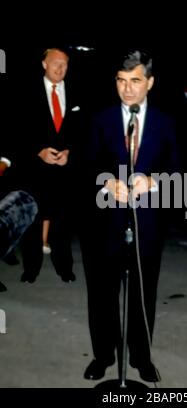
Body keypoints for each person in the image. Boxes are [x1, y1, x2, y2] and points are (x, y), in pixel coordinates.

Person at [81, 49, 178, 383]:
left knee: (142, 292)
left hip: (148, 222)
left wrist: (155, 181)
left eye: (135, 81)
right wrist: (105, 180)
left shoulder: (167, 123)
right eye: (121, 81)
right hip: (105, 223)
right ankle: (103, 355)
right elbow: (87, 167)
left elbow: (182, 170)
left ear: (149, 82)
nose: (127, 89)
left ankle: (141, 357)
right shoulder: (100, 119)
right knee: (103, 292)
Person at [18, 47, 82, 283]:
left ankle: (65, 267)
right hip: (36, 168)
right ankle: (31, 269)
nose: (60, 68)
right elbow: (18, 130)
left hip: (65, 169)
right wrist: (38, 151)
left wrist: (71, 152)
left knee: (63, 220)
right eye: (55, 63)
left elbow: (83, 130)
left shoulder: (77, 92)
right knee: (34, 221)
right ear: (44, 64)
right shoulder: (26, 92)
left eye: (65, 64)